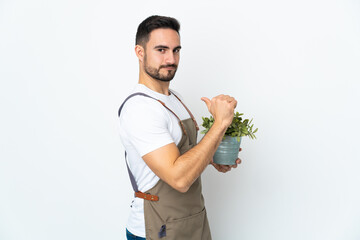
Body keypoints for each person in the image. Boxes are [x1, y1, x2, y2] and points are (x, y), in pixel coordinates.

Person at [118, 15, 241, 240]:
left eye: (176, 50)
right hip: (158, 229)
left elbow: (181, 156)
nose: (171, 59)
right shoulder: (140, 108)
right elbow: (179, 179)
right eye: (161, 50)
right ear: (140, 52)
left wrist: (211, 156)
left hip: (192, 221)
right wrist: (221, 123)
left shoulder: (175, 98)